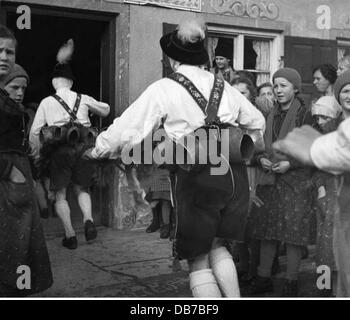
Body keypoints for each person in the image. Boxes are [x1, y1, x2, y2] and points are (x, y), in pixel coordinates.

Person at [84, 19, 265, 297]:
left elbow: (128, 129)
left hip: (196, 175)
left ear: (171, 58)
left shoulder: (164, 88)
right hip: (232, 175)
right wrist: (238, 144)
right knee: (217, 245)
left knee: (197, 257)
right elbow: (257, 122)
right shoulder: (223, 86)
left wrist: (98, 149)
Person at [273, 70, 350, 297]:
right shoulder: (329, 128)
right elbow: (315, 164)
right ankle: (326, 289)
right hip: (331, 195)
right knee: (327, 250)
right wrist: (321, 189)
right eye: (345, 91)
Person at [29, 39, 110, 250]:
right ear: (71, 83)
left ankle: (70, 235)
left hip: (59, 152)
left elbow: (35, 131)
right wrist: (92, 108)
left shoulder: (47, 102)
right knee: (82, 188)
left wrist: (37, 155)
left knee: (61, 194)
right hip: (83, 149)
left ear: (54, 83)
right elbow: (106, 110)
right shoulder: (83, 98)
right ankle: (88, 220)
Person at [247, 68, 314, 297]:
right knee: (268, 231)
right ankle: (263, 277)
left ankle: (291, 281)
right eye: (275, 86)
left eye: (283, 85)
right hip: (270, 181)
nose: (278, 90)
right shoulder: (268, 116)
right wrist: (262, 159)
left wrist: (291, 164)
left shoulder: (304, 115)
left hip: (296, 182)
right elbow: (257, 149)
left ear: (295, 88)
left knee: (294, 234)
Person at [0, 25, 53, 296]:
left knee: (23, 238)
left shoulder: (15, 109)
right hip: (8, 177)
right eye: (14, 87)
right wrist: (9, 170)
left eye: (9, 51)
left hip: (19, 176)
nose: (20, 93)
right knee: (11, 241)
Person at [310, 96, 341, 296]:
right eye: (317, 117)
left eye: (324, 117)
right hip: (327, 193)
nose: (320, 122)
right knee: (323, 248)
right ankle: (323, 288)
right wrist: (320, 188)